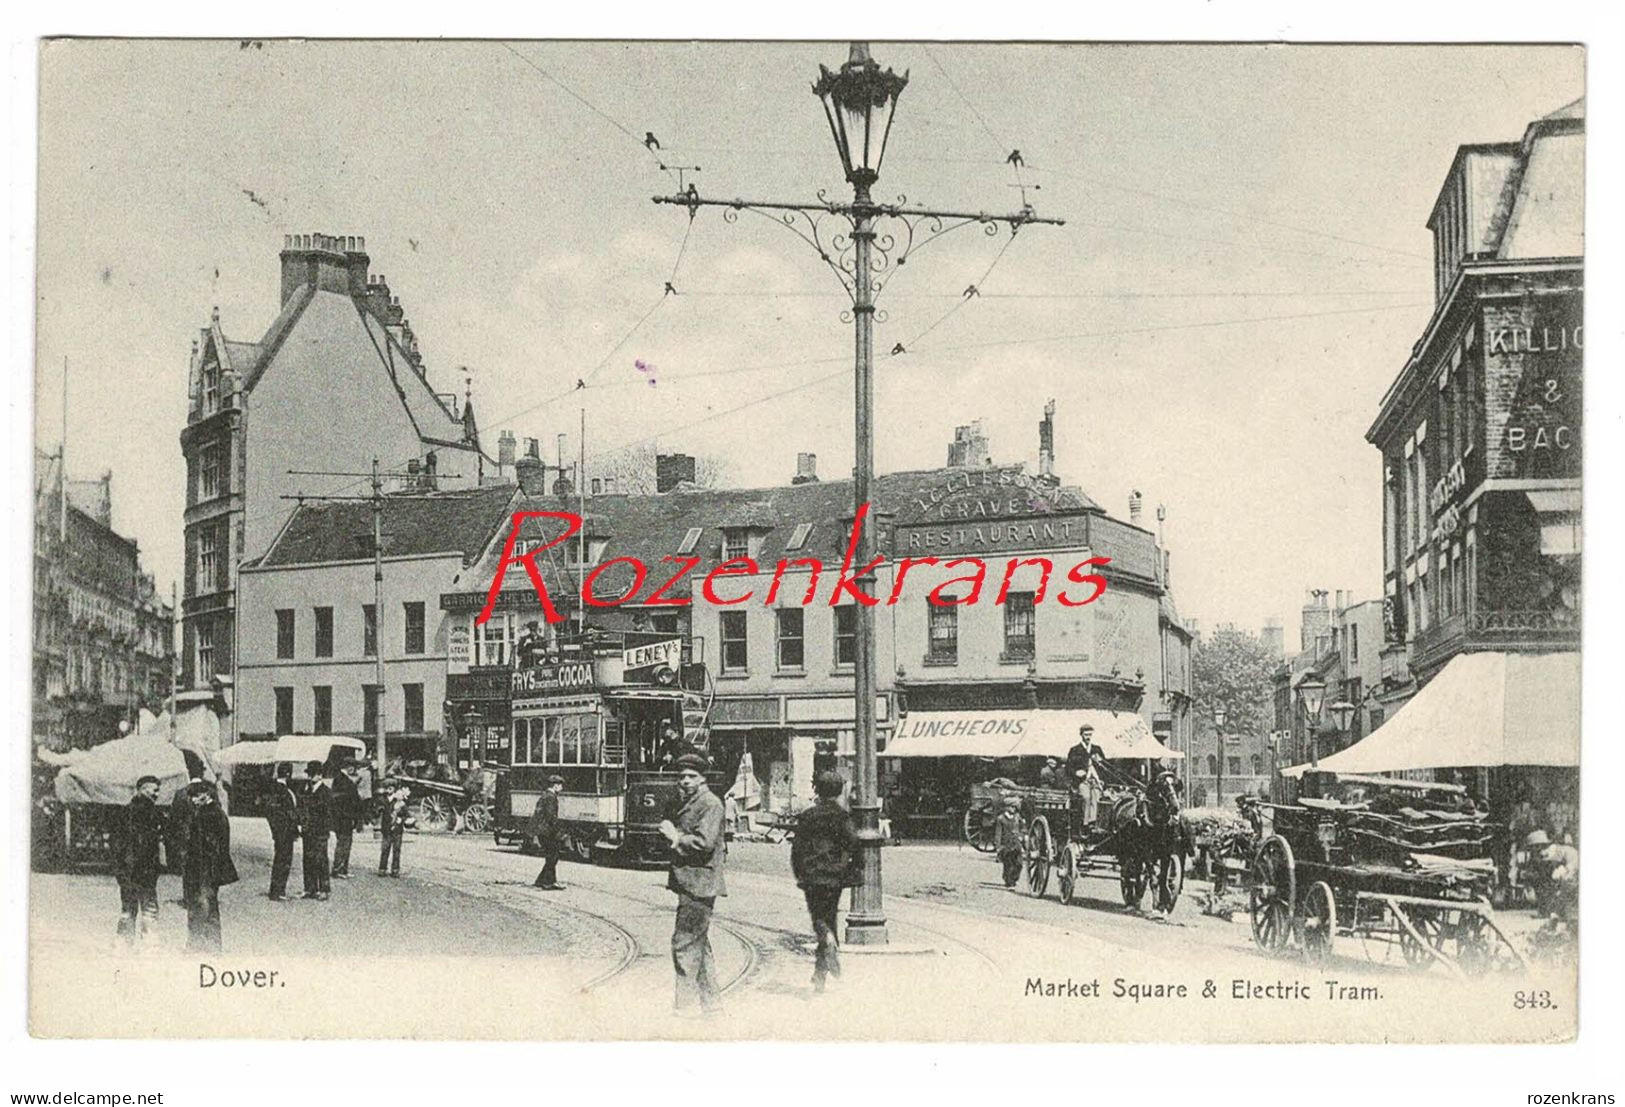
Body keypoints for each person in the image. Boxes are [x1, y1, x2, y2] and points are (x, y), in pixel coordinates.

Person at [658, 753, 726, 1017]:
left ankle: (685, 1007)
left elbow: (704, 843)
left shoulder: (710, 803)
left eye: (691, 777)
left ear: (703, 778)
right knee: (699, 945)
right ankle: (713, 1005)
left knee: (684, 944)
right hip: (692, 881)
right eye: (681, 776)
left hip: (700, 883)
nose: (685, 781)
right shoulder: (693, 801)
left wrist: (675, 837)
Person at [790, 770, 860, 993]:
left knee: (819, 919)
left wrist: (801, 873)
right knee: (829, 916)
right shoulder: (842, 817)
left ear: (817, 790)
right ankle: (820, 974)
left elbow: (797, 850)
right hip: (834, 876)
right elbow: (854, 844)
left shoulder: (808, 816)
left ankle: (826, 950)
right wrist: (849, 869)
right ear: (840, 791)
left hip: (812, 876)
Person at [182, 781, 238, 952]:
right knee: (208, 907)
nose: (192, 800)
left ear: (205, 794)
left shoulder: (210, 814)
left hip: (204, 869)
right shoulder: (213, 812)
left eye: (195, 796)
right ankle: (212, 946)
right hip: (208, 868)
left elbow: (210, 846)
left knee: (202, 906)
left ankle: (198, 945)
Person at [114, 775, 164, 946]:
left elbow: (117, 844)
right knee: (149, 909)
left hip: (126, 870)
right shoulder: (152, 813)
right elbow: (147, 846)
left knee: (127, 909)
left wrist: (120, 868)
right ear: (143, 789)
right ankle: (149, 946)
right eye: (155, 790)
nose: (157, 794)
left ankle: (123, 944)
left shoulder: (124, 811)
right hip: (145, 871)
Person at [264, 764, 300, 900]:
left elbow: (269, 812)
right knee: (284, 860)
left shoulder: (272, 790)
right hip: (286, 832)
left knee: (278, 859)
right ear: (289, 774)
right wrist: (295, 830)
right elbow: (290, 814)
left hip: (278, 831)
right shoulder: (285, 792)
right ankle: (279, 891)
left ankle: (275, 889)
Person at [298, 761, 332, 900]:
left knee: (321, 860)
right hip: (308, 831)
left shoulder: (325, 792)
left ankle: (324, 889)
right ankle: (310, 888)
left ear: (320, 775)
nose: (310, 777)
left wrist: (324, 829)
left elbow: (327, 813)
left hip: (320, 831)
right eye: (309, 774)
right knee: (308, 859)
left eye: (313, 774)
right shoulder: (306, 790)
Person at [531, 775, 566, 889]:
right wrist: (558, 831)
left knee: (551, 856)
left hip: (542, 831)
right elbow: (551, 816)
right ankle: (547, 882)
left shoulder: (545, 795)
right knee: (553, 856)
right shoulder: (551, 797)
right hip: (547, 832)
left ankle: (543, 880)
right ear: (555, 785)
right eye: (560, 785)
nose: (561, 787)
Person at [330, 762, 362, 878]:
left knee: (343, 843)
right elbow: (350, 800)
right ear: (350, 768)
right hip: (345, 818)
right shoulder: (345, 782)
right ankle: (338, 869)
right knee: (344, 843)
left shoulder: (338, 779)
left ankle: (342, 869)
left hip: (340, 817)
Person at [994, 795, 1026, 888]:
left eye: (1015, 807)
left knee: (1019, 864)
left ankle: (1014, 879)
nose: (1013, 809)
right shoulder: (1001, 818)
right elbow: (998, 833)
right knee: (1008, 864)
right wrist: (998, 846)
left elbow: (1023, 828)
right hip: (1006, 845)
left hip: (1017, 844)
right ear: (1006, 808)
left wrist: (1022, 836)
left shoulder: (1017, 817)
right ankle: (1009, 881)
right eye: (1011, 807)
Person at [378, 783, 410, 877]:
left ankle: (395, 870)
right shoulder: (382, 800)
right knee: (385, 849)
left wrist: (402, 819)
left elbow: (406, 815)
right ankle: (382, 869)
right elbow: (377, 811)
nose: (388, 790)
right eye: (387, 788)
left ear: (394, 790)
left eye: (390, 788)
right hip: (386, 828)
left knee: (396, 850)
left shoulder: (400, 802)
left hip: (397, 829)